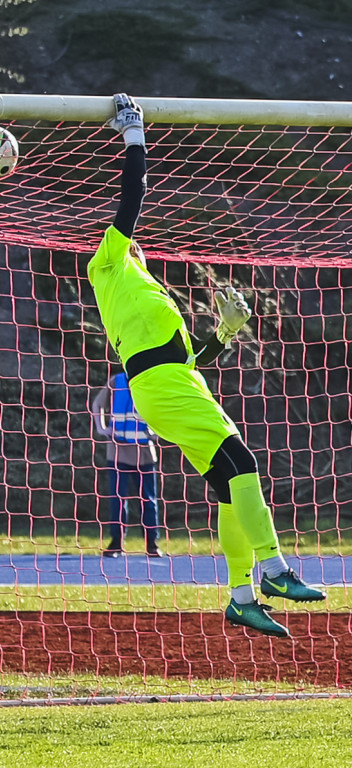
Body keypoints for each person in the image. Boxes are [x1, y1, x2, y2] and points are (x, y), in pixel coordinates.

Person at [87, 93, 325, 638]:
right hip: (163, 388)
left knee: (228, 483)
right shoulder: (107, 265)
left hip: (178, 382)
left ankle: (241, 597)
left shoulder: (147, 291)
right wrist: (133, 135)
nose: (136, 244)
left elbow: (190, 358)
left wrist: (226, 330)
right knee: (244, 464)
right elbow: (132, 197)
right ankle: (274, 568)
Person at [91, 370, 162, 557]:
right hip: (117, 453)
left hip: (144, 453)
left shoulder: (151, 381)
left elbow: (163, 409)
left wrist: (158, 431)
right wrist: (101, 428)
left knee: (148, 500)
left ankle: (152, 543)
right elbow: (97, 403)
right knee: (118, 499)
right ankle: (116, 543)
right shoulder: (117, 381)